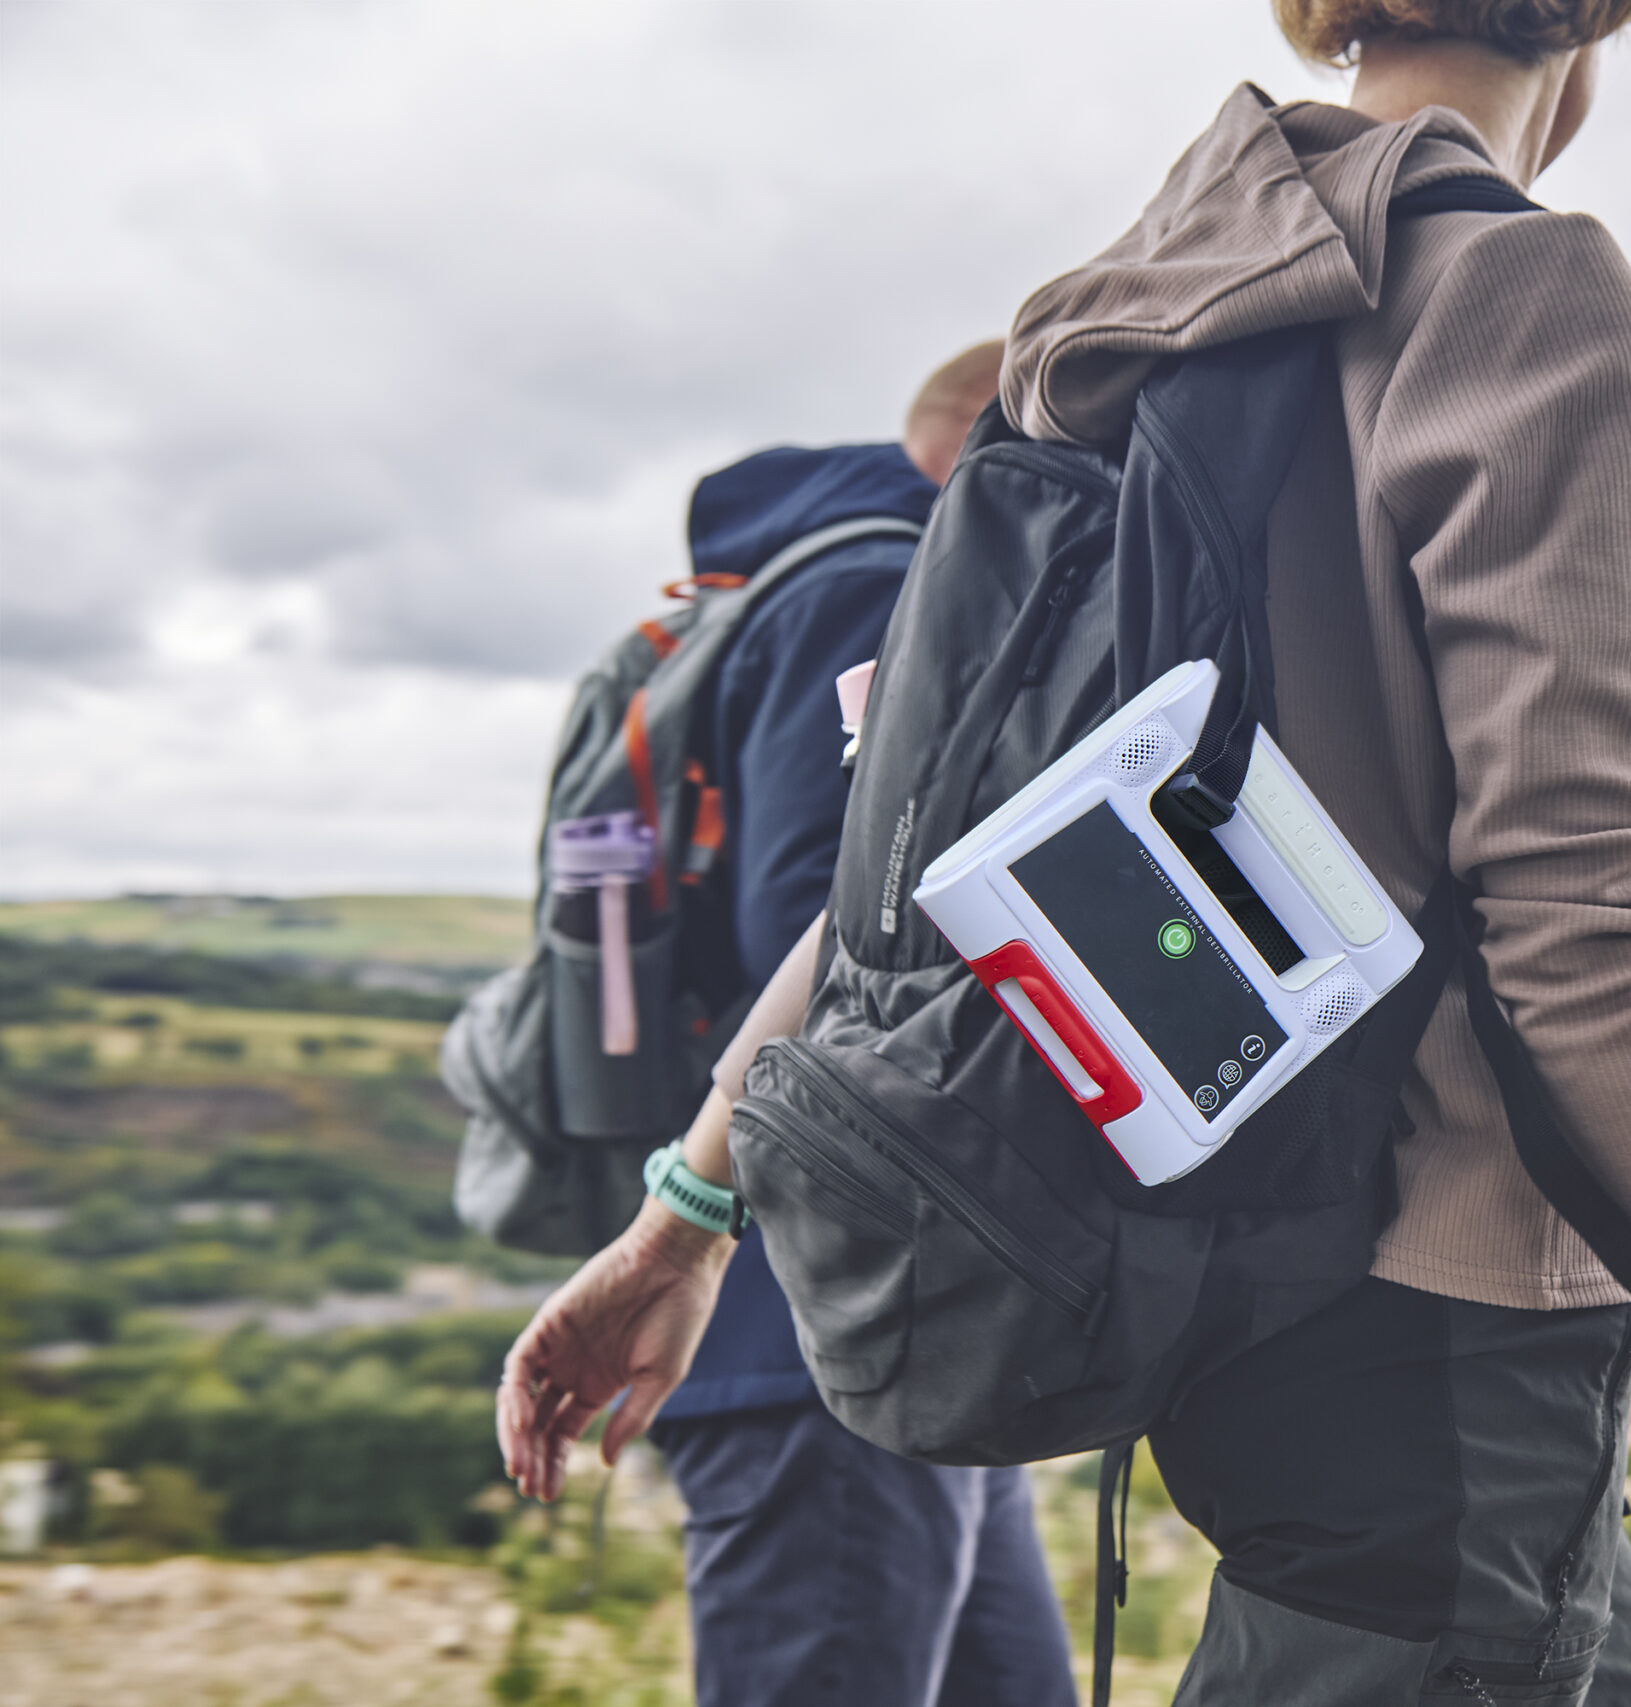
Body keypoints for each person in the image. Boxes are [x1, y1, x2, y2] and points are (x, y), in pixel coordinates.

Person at [501, 6, 1631, 1704]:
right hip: (1442, 1352)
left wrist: (685, 1218)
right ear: (1600, 27)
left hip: (1214, 1295)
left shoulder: (1105, 321)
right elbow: (1588, 963)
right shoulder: (1526, 299)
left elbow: (920, 863)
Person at [601, 342, 1079, 1707]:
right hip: (814, 1333)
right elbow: (830, 930)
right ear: (996, 455)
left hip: (892, 1332)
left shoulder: (845, 582)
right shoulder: (884, 587)